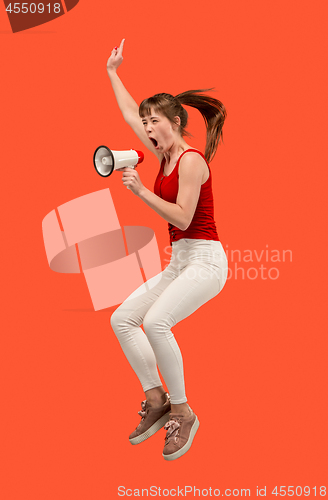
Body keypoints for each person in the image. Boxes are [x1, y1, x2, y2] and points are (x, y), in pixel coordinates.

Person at [108, 39, 228, 461]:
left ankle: (183, 410)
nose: (145, 126)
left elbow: (181, 217)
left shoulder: (192, 160)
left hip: (207, 261)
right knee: (122, 319)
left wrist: (139, 189)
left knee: (157, 321)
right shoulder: (160, 154)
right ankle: (156, 398)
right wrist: (113, 72)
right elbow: (126, 111)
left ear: (175, 121)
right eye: (144, 121)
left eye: (153, 120)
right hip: (179, 263)